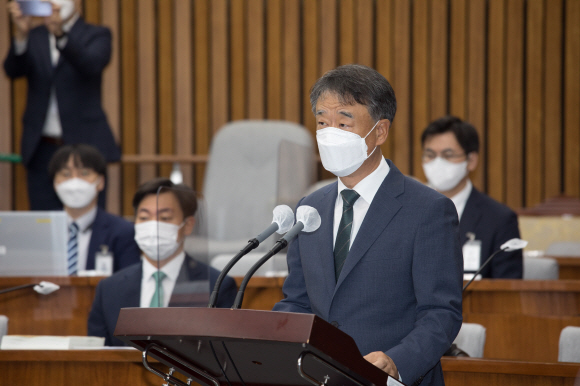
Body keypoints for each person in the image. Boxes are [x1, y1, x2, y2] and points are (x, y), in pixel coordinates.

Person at [273, 64, 463, 386]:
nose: (329, 134)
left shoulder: (428, 210)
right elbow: (298, 300)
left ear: (380, 131)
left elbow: (441, 313)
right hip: (317, 376)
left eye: (344, 123)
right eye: (322, 122)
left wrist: (396, 361)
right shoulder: (309, 209)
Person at [87, 178, 238, 346]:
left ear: (187, 225)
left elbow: (224, 355)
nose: (153, 226)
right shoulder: (109, 289)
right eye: (144, 217)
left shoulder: (217, 286)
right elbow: (99, 357)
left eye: (165, 218)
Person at [4, 0, 120, 210]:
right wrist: (21, 35)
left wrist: (60, 35)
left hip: (85, 143)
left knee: (89, 216)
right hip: (42, 146)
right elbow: (13, 70)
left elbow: (91, 64)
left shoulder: (96, 34)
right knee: (44, 219)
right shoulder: (35, 35)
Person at [421, 116, 523, 279]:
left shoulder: (499, 220)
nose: (437, 163)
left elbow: (507, 290)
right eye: (430, 155)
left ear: (471, 160)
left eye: (448, 155)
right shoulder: (406, 210)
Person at [49, 144, 140, 274]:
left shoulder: (122, 231)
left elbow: (129, 282)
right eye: (66, 174)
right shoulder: (40, 229)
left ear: (101, 182)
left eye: (84, 173)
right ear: (55, 183)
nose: (75, 181)